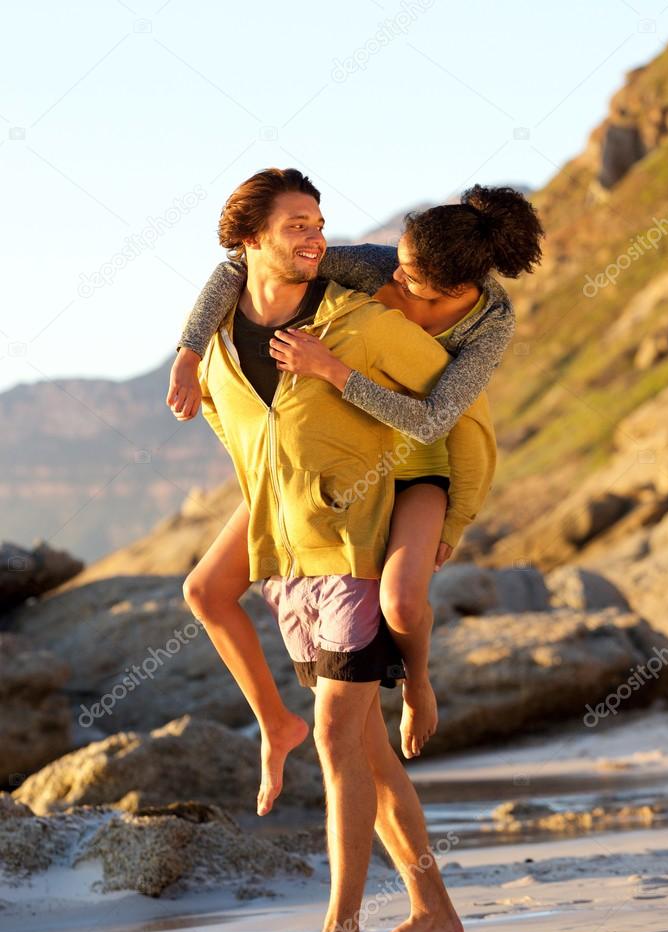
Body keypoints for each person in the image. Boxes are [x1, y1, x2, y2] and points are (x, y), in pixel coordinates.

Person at [185, 166, 484, 932]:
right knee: (368, 753)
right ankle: (434, 912)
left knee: (335, 736)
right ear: (250, 240)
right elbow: (245, 440)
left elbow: (461, 418)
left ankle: (343, 929)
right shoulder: (213, 349)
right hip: (292, 559)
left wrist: (436, 525)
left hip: (359, 547)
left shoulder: (360, 322)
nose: (317, 235)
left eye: (320, 220)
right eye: (297, 224)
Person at [169, 185, 543, 776]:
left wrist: (333, 372)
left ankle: (418, 685)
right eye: (397, 256)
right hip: (337, 464)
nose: (392, 274)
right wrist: (190, 352)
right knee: (205, 590)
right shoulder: (373, 267)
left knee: (398, 600)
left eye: (409, 274)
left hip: (419, 464)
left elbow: (438, 421)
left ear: (449, 289)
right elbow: (241, 268)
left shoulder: (490, 323)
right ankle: (278, 724)